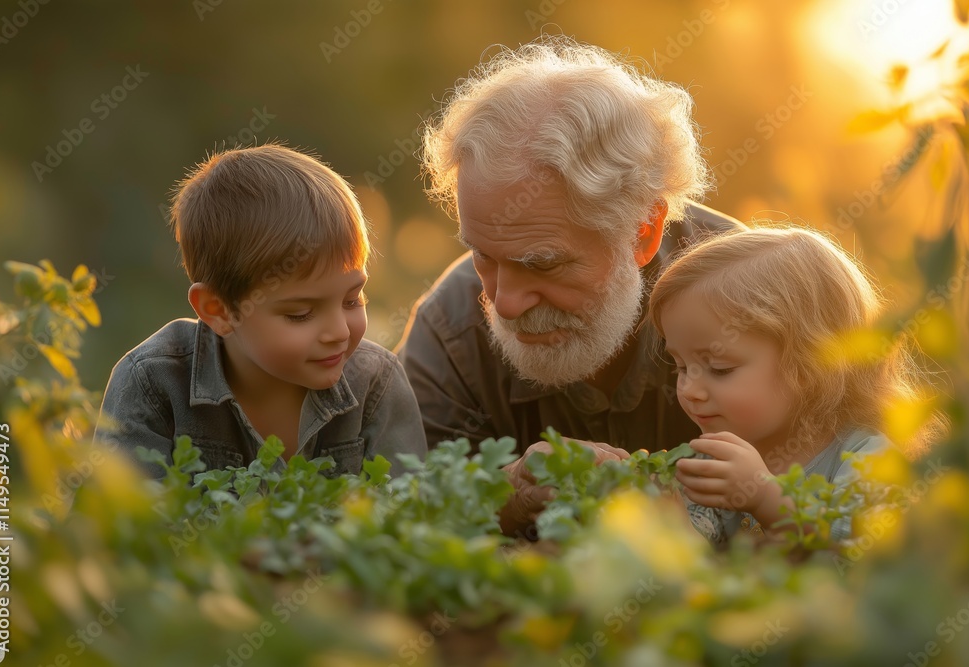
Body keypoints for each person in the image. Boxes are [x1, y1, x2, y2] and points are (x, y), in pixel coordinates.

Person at [396, 36, 744, 534]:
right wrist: (507, 492)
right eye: (483, 256)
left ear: (643, 232)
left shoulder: (753, 297)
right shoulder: (449, 332)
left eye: (543, 265)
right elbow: (407, 515)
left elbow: (833, 487)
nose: (506, 304)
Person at [93, 144, 427, 479]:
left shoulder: (376, 384)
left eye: (352, 299)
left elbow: (413, 518)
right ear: (219, 310)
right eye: (300, 314)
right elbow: (117, 525)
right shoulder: (153, 386)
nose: (339, 331)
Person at [647, 225, 939, 545]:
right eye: (681, 366)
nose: (689, 389)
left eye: (720, 368)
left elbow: (859, 561)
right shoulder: (716, 460)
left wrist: (765, 499)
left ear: (810, 366)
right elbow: (694, 565)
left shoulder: (863, 457)